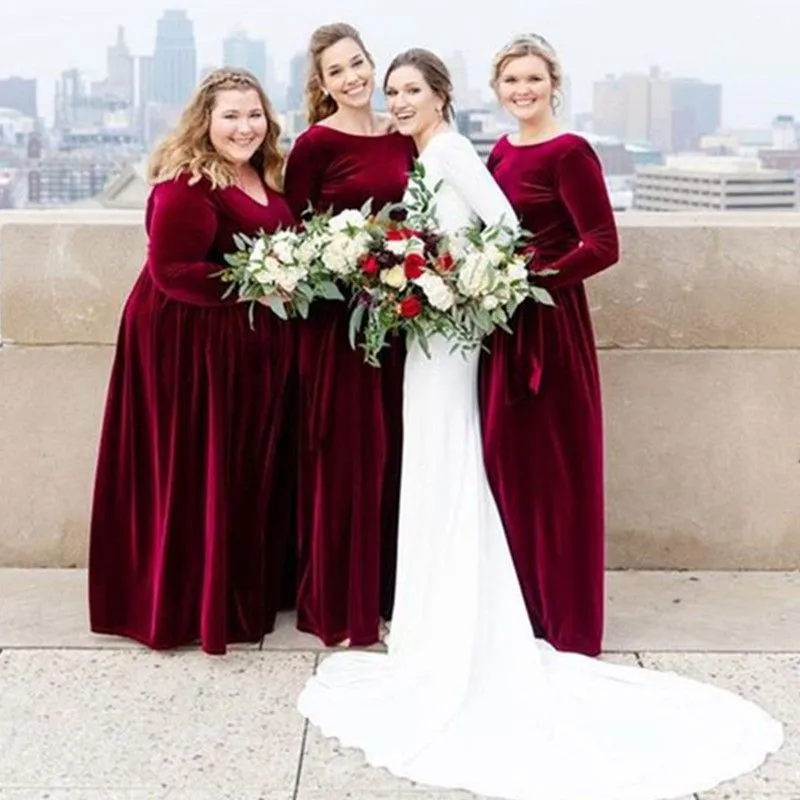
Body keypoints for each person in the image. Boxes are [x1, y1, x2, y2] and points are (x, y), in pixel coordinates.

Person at [296, 47, 782, 800]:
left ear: (443, 95)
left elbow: (504, 236)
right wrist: (408, 270)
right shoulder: (434, 155)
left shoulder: (454, 150)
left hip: (451, 337)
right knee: (432, 460)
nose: (395, 101)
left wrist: (456, 286)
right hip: (427, 336)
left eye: (409, 90)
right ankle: (428, 619)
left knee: (450, 458)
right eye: (389, 91)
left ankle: (456, 623)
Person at [89, 68, 296, 655]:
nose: (244, 126)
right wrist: (255, 284)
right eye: (230, 115)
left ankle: (238, 589)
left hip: (241, 345)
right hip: (187, 346)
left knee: (235, 468)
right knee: (197, 466)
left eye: (253, 114)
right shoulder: (185, 184)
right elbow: (173, 274)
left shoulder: (262, 171)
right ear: (205, 121)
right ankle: (188, 604)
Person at [480, 33, 616, 657]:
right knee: (510, 466)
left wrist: (531, 281)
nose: (523, 91)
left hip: (551, 327)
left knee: (557, 467)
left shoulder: (571, 153)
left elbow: (601, 244)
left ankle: (567, 619)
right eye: (512, 82)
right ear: (497, 90)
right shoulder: (501, 152)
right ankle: (521, 610)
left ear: (553, 82)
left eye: (533, 79)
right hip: (501, 329)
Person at [283, 23, 415, 647]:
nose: (352, 78)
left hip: (397, 320)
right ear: (324, 84)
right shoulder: (313, 144)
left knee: (394, 452)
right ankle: (340, 601)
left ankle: (391, 593)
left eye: (357, 63)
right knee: (343, 453)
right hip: (335, 325)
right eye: (337, 72)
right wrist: (341, 261)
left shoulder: (402, 134)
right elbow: (293, 234)